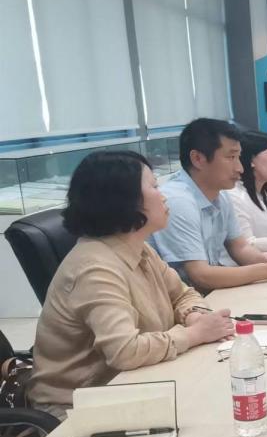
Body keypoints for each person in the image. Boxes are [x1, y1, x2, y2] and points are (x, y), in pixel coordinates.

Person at [28, 152, 236, 417]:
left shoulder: (138, 248)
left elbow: (183, 294)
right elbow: (124, 351)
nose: (163, 196)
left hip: (135, 386)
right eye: (154, 187)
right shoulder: (95, 268)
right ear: (125, 201)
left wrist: (194, 315)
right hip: (79, 410)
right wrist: (194, 334)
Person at [150, 118, 267, 292]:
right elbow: (200, 275)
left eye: (238, 157)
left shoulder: (221, 194)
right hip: (183, 301)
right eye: (231, 157)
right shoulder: (178, 201)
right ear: (198, 159)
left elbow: (240, 248)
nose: (240, 168)